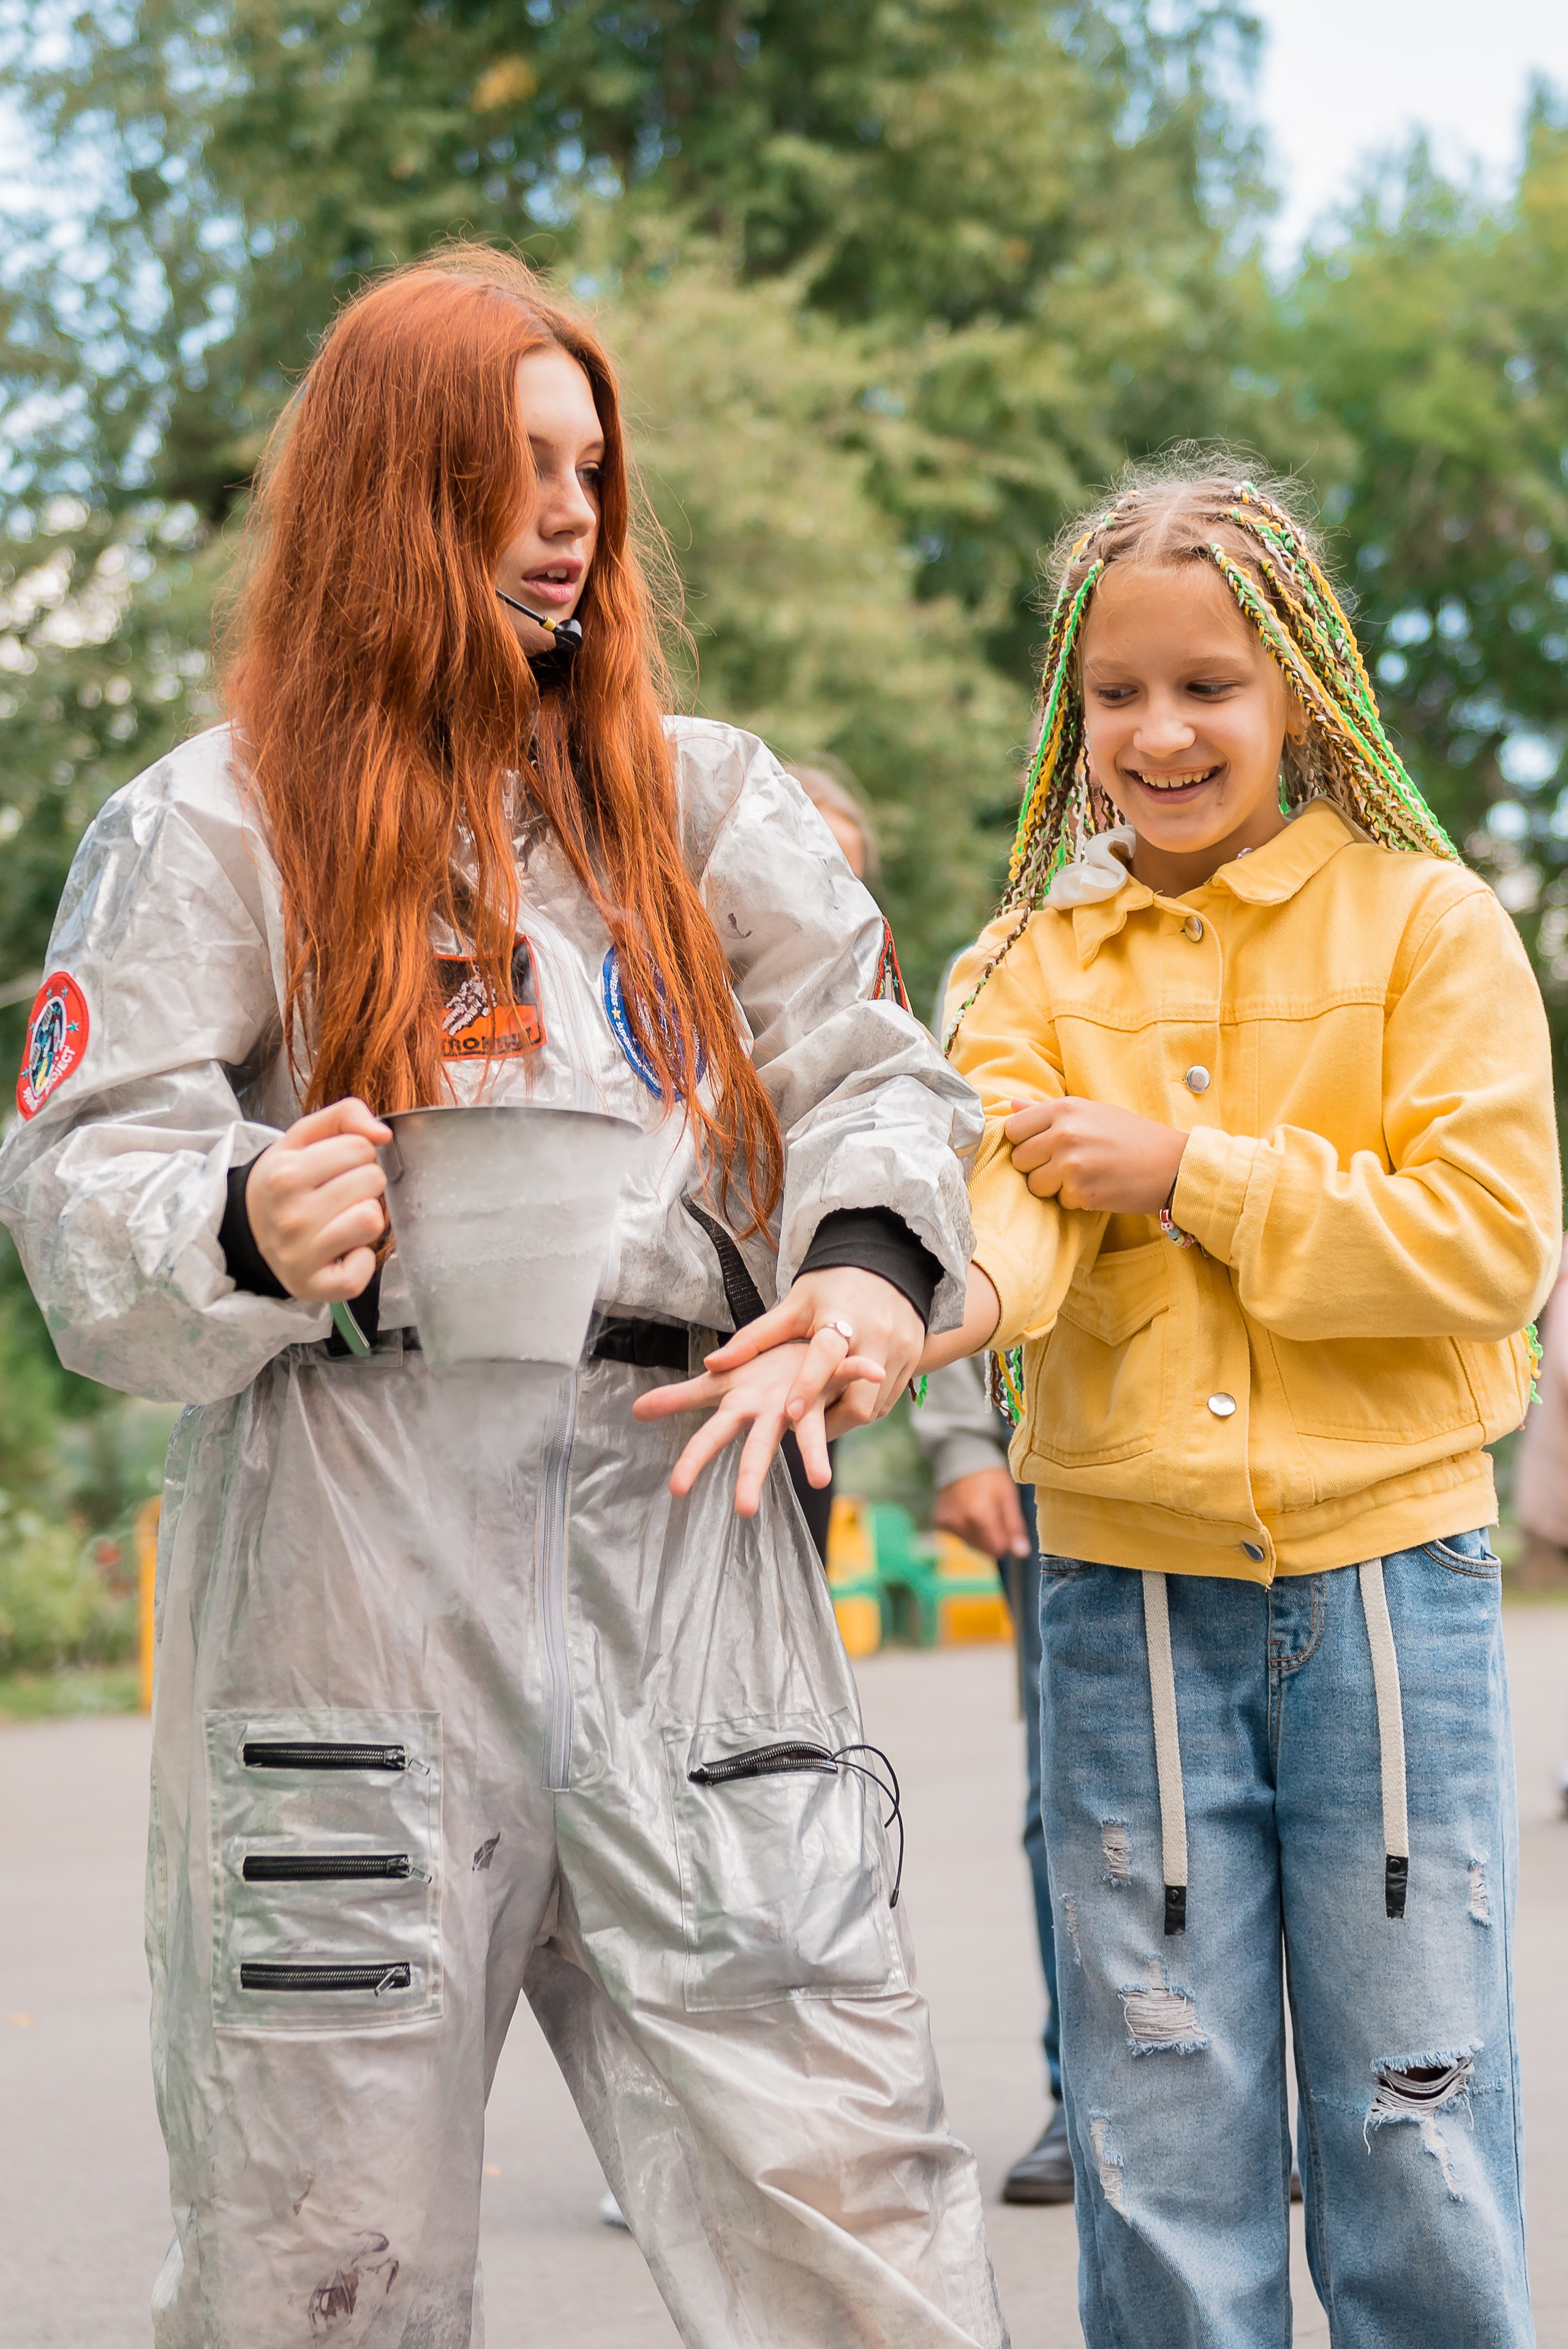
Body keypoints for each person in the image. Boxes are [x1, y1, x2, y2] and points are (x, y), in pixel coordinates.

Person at [0, 248, 1009, 2349]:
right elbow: (82, 1177)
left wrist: (859, 1269)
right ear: (391, 489)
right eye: (509, 471)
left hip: (687, 1532)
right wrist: (244, 1213)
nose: (568, 516)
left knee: (842, 2199)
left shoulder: (705, 807)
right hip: (347, 1575)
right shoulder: (211, 825)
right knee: (318, 2245)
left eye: (589, 469)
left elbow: (878, 1064)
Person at [917, 459, 1558, 2346]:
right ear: (1071, 712)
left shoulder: (1430, 925)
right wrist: (879, 1316)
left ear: (1303, 693)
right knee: (1158, 2128)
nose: (1162, 729)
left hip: (1394, 1591)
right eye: (1119, 692)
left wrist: (1187, 1169)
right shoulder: (1023, 964)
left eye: (1211, 683)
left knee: (1415, 2111)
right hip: (1121, 1600)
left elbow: (1487, 1245)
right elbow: (1005, 1235)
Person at [914, 1361, 1074, 2204]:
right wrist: (964, 1441)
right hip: (1063, 1433)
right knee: (1074, 1788)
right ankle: (1088, 2095)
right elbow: (971, 1230)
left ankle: (1288, 2109)